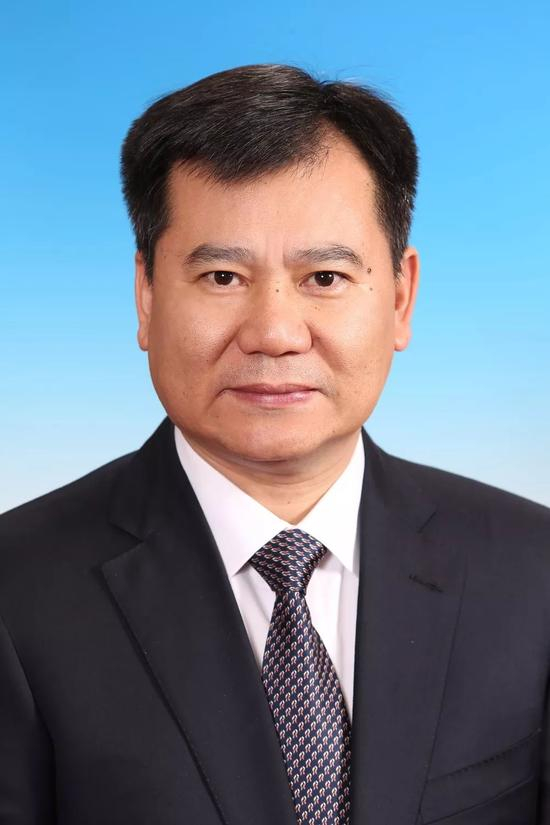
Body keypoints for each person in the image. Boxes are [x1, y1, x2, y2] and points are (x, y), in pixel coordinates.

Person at [0, 62, 549, 825]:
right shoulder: (18, 592)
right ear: (146, 295)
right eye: (223, 277)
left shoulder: (532, 571)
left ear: (400, 296)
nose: (274, 333)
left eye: (324, 277)